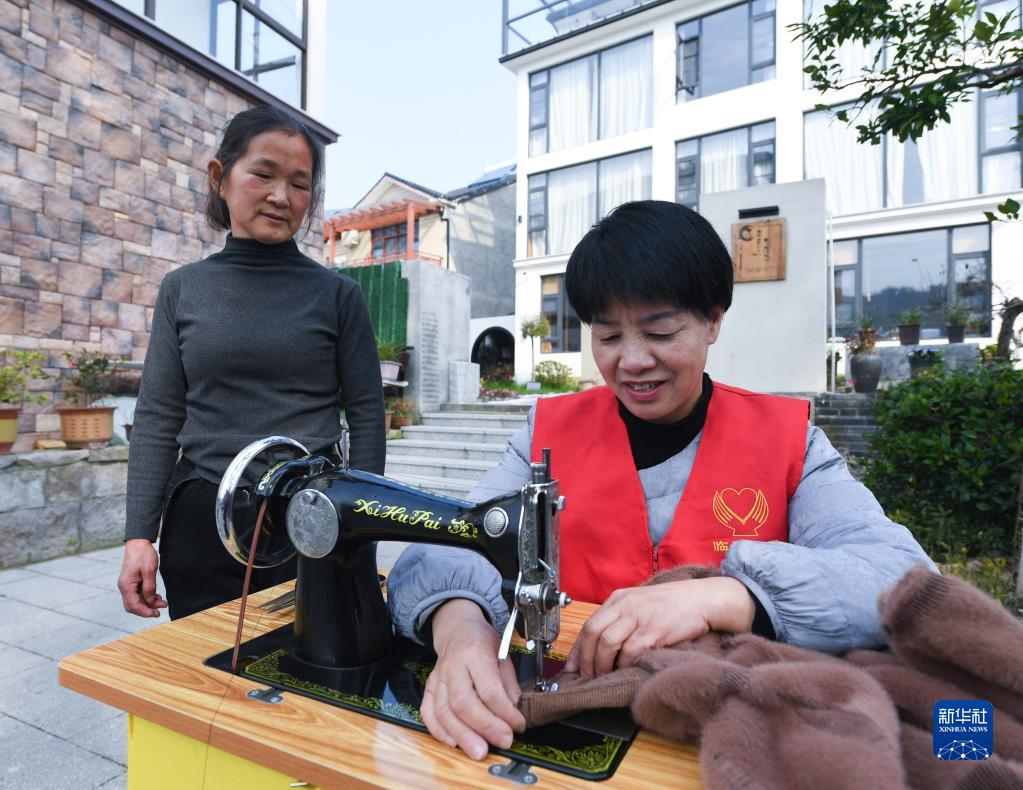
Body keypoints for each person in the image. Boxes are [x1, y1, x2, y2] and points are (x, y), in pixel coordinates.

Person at [386, 200, 936, 760]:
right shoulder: (546, 434)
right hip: (580, 718)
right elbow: (448, 544)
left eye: (660, 331)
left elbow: (900, 577)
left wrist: (732, 596)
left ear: (714, 321)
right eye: (608, 337)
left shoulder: (790, 441)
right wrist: (462, 631)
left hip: (719, 738)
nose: (632, 361)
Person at [117, 106, 386, 621]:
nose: (281, 196)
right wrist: (138, 536)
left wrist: (363, 527)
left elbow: (368, 417)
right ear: (220, 177)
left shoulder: (338, 296)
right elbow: (158, 416)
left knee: (309, 662)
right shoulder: (182, 289)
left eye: (299, 184)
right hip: (202, 522)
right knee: (204, 664)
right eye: (263, 174)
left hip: (311, 519)